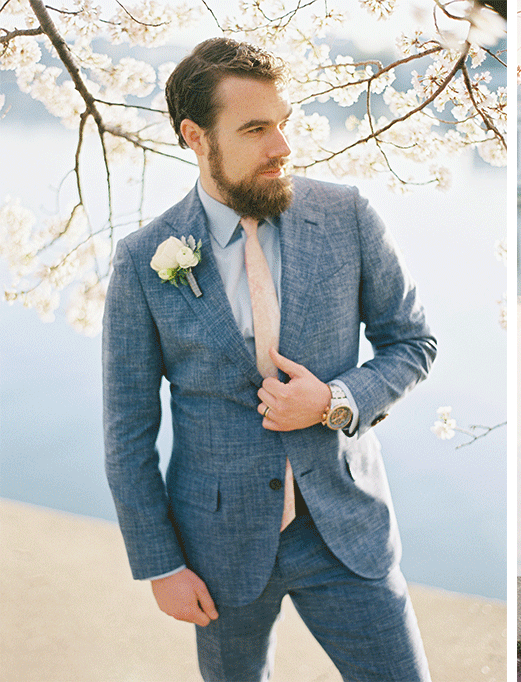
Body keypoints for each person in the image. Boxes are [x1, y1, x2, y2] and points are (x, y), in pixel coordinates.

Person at [102, 38, 436, 681]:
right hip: (216, 551)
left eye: (283, 123)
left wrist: (336, 400)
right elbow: (128, 434)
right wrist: (161, 564)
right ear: (195, 137)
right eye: (255, 129)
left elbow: (413, 343)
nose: (282, 146)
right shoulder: (145, 259)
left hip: (346, 532)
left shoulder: (348, 216)